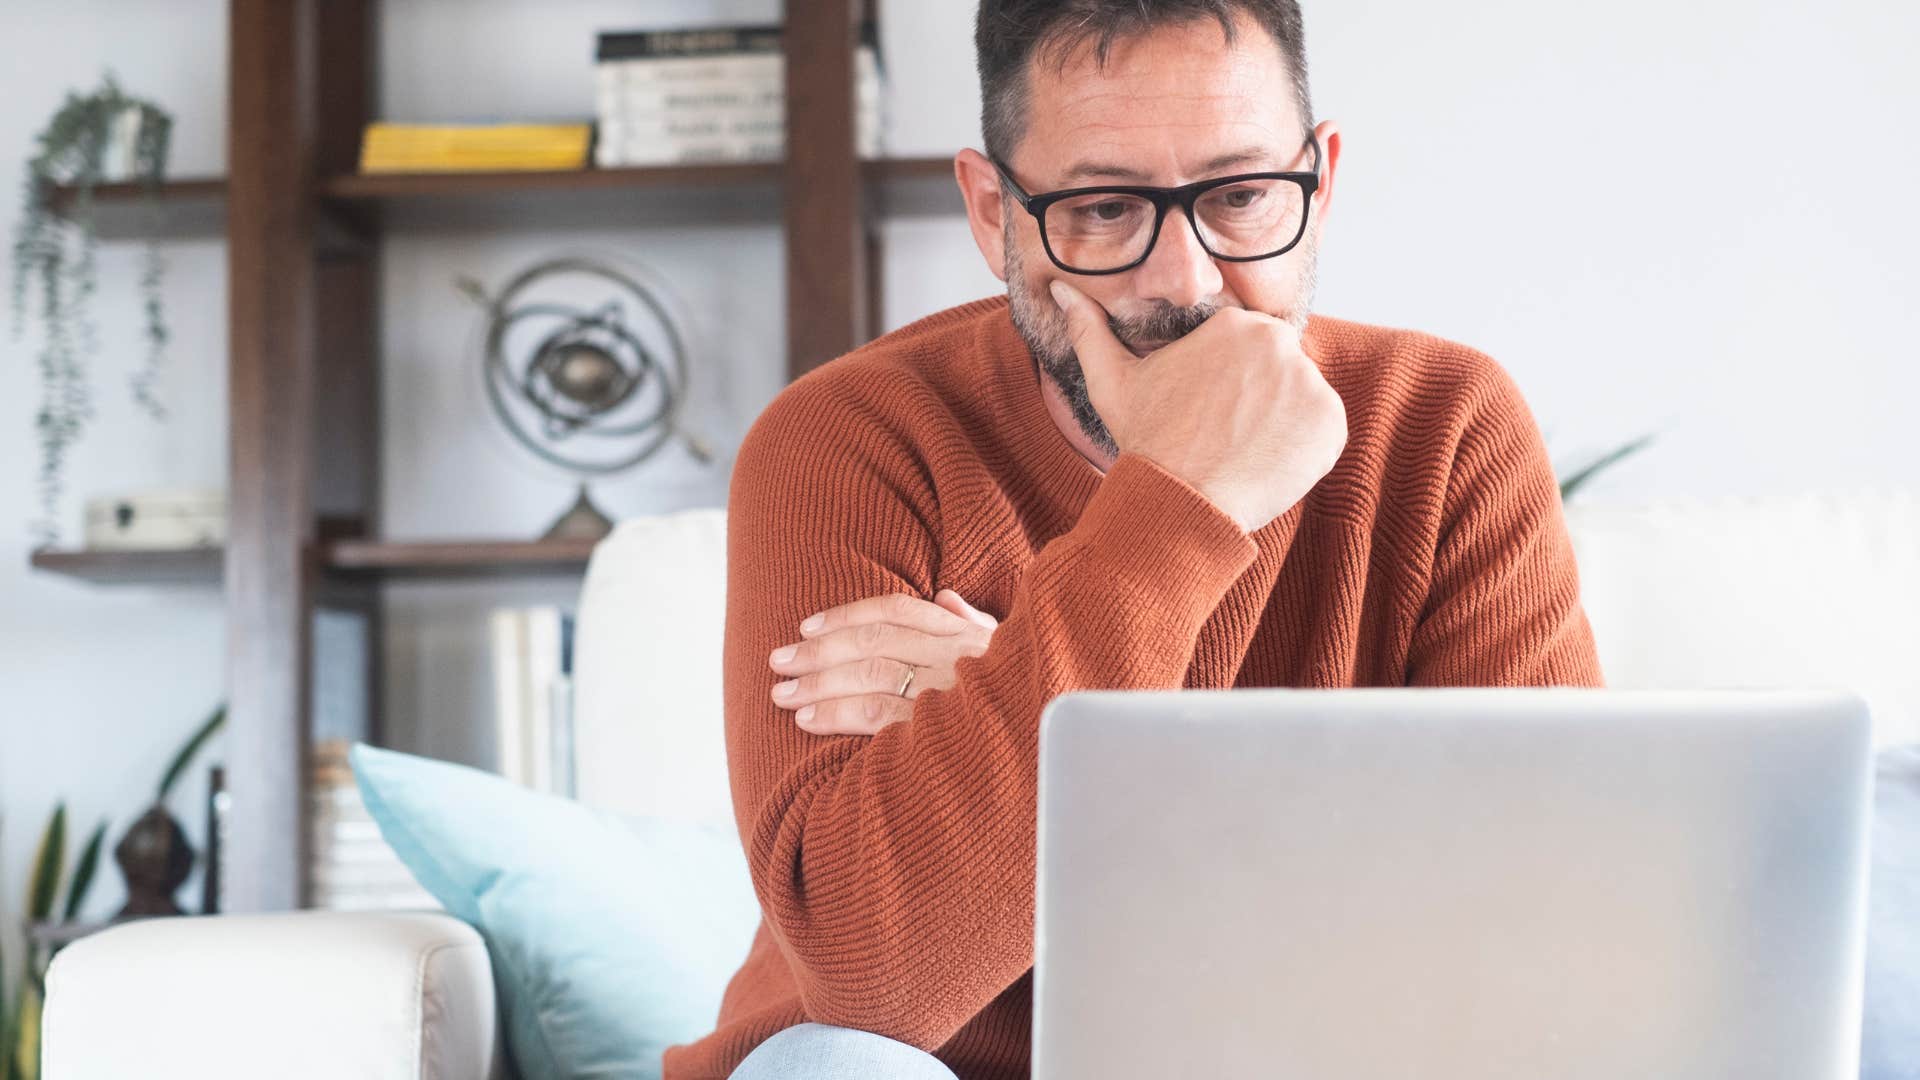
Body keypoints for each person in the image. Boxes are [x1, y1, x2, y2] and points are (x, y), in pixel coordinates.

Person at [667, 2, 1605, 1077]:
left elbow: (1536, 919)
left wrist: (1056, 726)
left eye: (1244, 197)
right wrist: (1181, 497)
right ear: (993, 213)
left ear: (1321, 180)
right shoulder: (848, 441)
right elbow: (878, 981)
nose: (1186, 283)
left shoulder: (1444, 422)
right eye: (1107, 210)